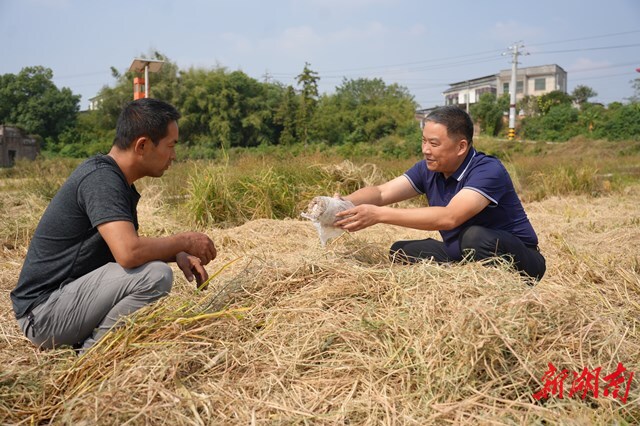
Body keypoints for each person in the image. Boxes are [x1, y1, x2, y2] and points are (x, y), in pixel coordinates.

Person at [11, 98, 217, 352]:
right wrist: (185, 241)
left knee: (152, 269)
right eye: (171, 145)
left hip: (58, 305)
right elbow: (129, 253)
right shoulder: (102, 180)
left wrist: (176, 253)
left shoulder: (114, 179)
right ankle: (90, 356)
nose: (174, 155)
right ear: (142, 145)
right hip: (44, 314)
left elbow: (126, 253)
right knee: (155, 276)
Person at [334, 106, 545, 281]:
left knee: (475, 237)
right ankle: (460, 279)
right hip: (461, 252)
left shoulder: (487, 170)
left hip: (519, 258)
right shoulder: (428, 168)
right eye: (424, 141)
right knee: (401, 251)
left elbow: (449, 217)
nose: (426, 149)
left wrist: (379, 215)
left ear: (461, 146)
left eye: (434, 143)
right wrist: (342, 203)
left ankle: (492, 292)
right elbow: (381, 193)